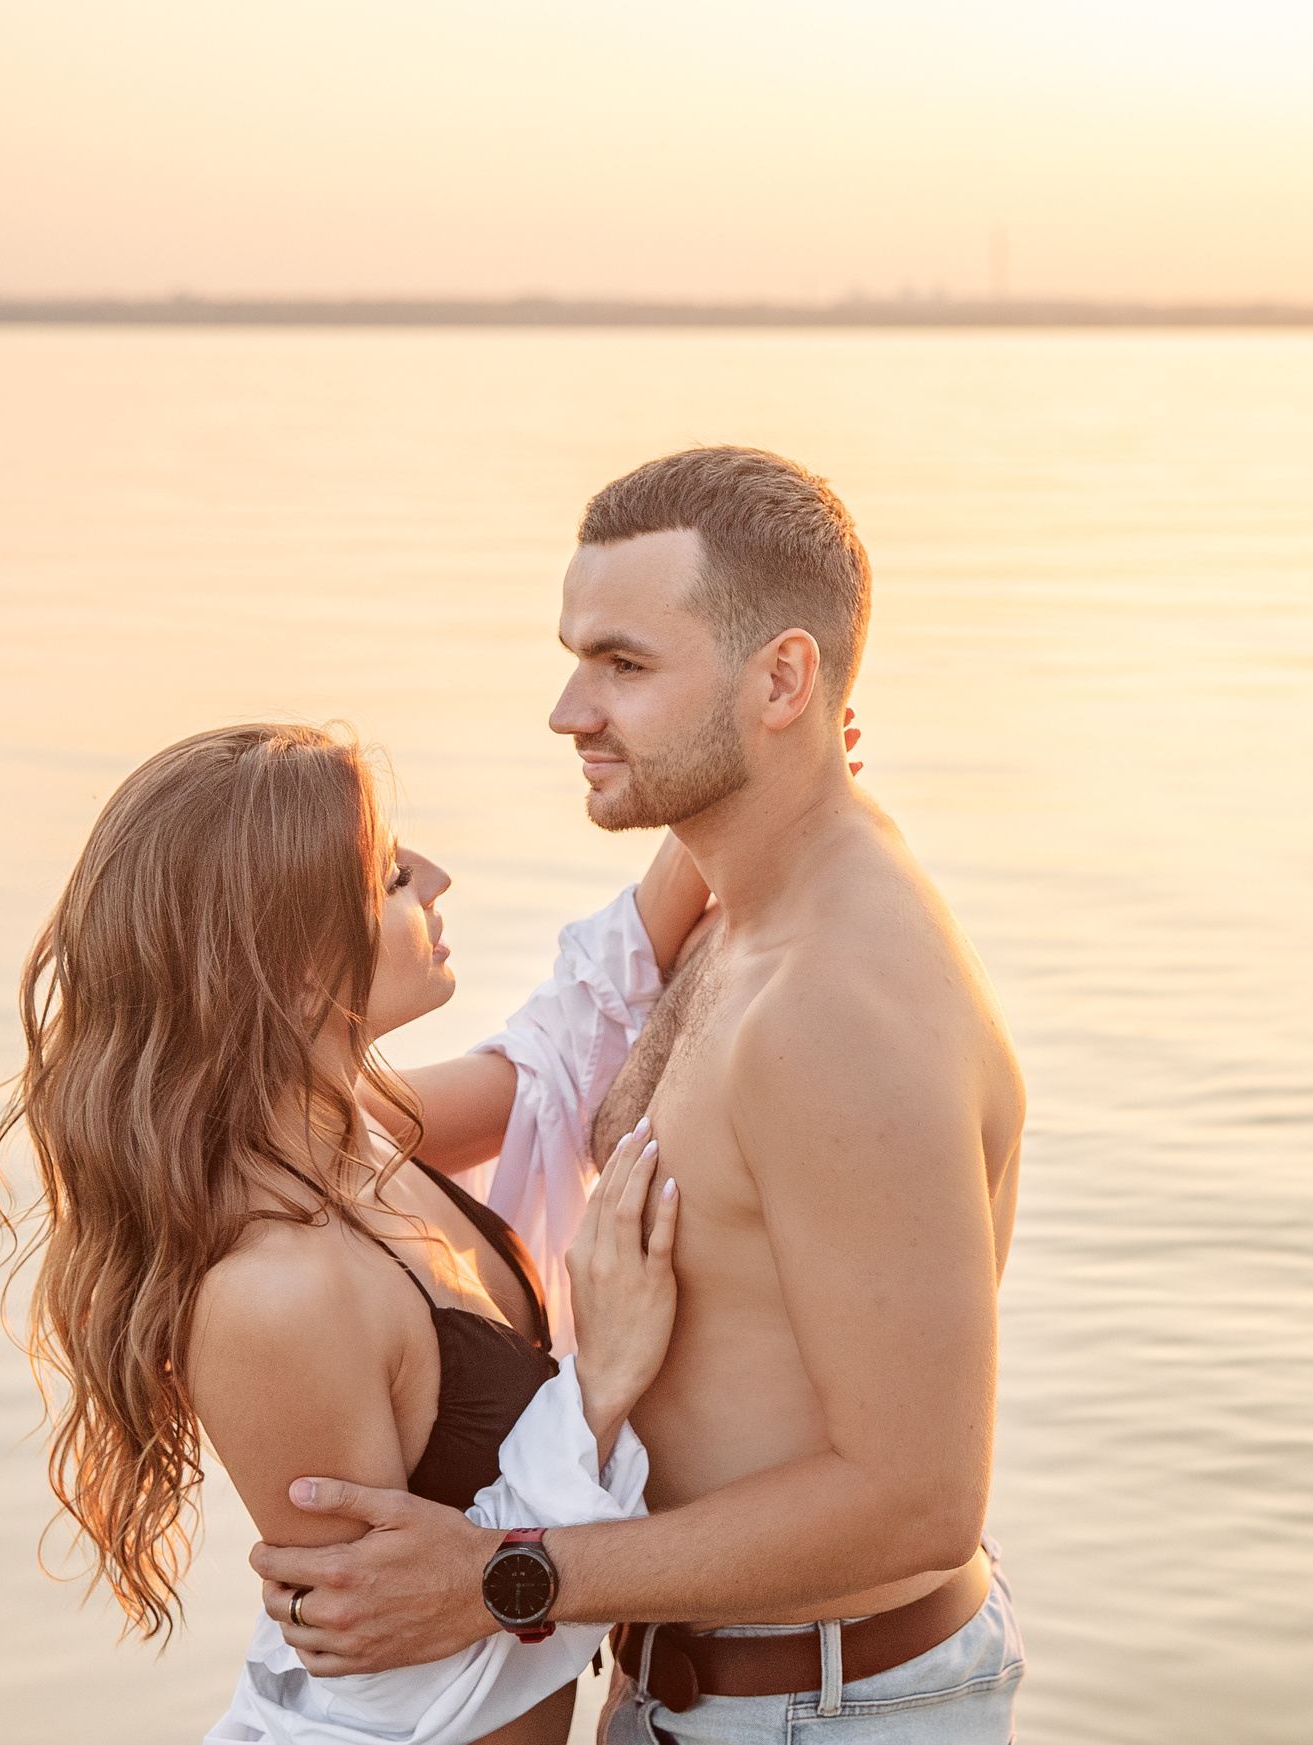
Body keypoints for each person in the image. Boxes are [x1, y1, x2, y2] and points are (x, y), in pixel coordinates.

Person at [250, 447, 1029, 1743]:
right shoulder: (739, 894)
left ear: (783, 679)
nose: (568, 709)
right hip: (689, 1683)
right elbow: (467, 1084)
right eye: (575, 657)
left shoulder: (840, 1014)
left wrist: (504, 1578)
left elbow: (918, 1498)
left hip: (826, 1710)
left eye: (623, 664)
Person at [0, 722, 696, 1745]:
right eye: (392, 875)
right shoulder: (274, 1291)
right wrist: (599, 1386)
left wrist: (738, 803)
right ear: (299, 960)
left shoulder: (348, 1136)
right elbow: (394, 1679)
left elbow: (561, 1045)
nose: (439, 877)